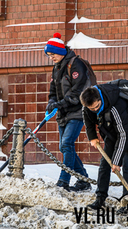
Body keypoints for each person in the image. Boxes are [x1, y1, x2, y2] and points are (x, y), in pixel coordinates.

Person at [80, 84, 128, 212]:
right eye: (91, 108)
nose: (94, 110)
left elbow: (123, 135)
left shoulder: (115, 106)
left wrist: (116, 162)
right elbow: (87, 117)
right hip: (113, 131)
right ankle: (100, 199)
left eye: (96, 107)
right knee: (104, 164)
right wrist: (92, 136)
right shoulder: (88, 106)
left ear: (100, 99)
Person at [44, 32, 91, 192]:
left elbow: (78, 90)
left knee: (67, 143)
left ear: (61, 51)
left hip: (78, 111)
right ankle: (83, 180)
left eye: (53, 54)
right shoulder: (56, 68)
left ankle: (63, 181)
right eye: (49, 55)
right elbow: (52, 90)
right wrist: (52, 102)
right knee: (65, 146)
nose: (51, 57)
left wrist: (61, 103)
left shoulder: (76, 64)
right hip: (63, 112)